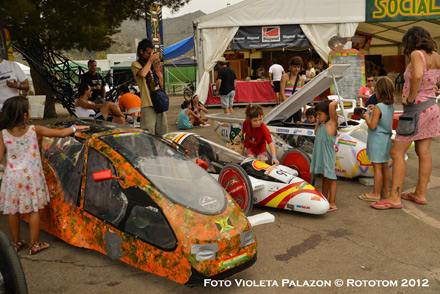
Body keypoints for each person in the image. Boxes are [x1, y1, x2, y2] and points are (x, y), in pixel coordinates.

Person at [0, 96, 89, 255]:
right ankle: (34, 245)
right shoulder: (34, 129)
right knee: (34, 210)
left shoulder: (3, 134)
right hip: (31, 177)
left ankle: (15, 243)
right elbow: (61, 133)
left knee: (13, 211)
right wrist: (75, 127)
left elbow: (0, 158)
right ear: (25, 115)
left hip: (11, 177)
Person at [371, 26, 440, 210]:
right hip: (432, 107)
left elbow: (417, 75)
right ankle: (420, 193)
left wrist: (410, 97)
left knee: (396, 152)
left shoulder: (417, 54)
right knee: (424, 152)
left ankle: (394, 197)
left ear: (411, 40)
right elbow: (429, 77)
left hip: (416, 109)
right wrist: (433, 88)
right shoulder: (435, 56)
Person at [359, 77, 395, 202]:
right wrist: (374, 109)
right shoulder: (390, 106)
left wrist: (366, 116)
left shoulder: (378, 107)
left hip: (377, 140)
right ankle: (385, 191)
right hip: (386, 140)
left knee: (377, 167)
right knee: (384, 165)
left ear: (379, 91)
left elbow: (373, 125)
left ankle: (376, 193)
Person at [131, 39, 168, 136]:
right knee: (149, 133)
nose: (150, 56)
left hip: (158, 103)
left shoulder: (151, 65)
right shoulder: (136, 64)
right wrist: (151, 61)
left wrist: (156, 69)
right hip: (147, 103)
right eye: (148, 53)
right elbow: (142, 74)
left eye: (152, 53)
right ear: (141, 52)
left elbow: (161, 85)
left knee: (162, 131)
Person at [310, 100, 338, 212]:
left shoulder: (332, 124)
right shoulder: (321, 125)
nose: (317, 117)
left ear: (328, 114)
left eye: (320, 114)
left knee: (331, 179)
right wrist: (318, 123)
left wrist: (330, 102)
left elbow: (332, 105)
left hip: (327, 157)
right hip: (321, 156)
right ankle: (325, 199)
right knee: (324, 178)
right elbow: (316, 132)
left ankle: (332, 203)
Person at [280, 57, 306, 121]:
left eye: (298, 67)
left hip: (296, 106)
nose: (296, 69)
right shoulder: (285, 77)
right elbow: (282, 92)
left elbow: (302, 94)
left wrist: (304, 108)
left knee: (297, 126)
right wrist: (286, 104)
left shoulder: (301, 79)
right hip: (286, 106)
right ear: (291, 66)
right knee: (286, 125)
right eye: (295, 66)